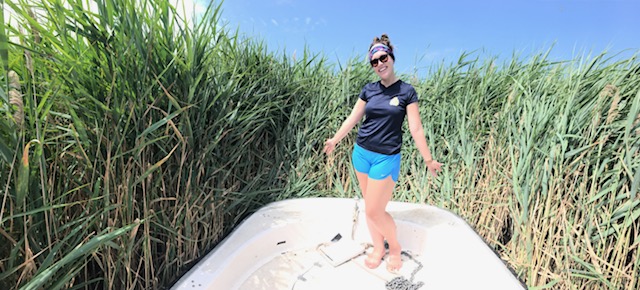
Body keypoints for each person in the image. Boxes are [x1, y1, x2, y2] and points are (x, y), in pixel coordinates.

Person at [323, 34, 442, 273]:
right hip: (361, 154)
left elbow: (415, 128)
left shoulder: (407, 92)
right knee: (369, 206)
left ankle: (394, 247)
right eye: (374, 62)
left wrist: (428, 159)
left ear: (391, 58)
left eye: (383, 58)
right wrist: (335, 139)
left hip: (386, 158)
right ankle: (378, 248)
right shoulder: (369, 90)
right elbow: (353, 118)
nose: (379, 64)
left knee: (375, 210)